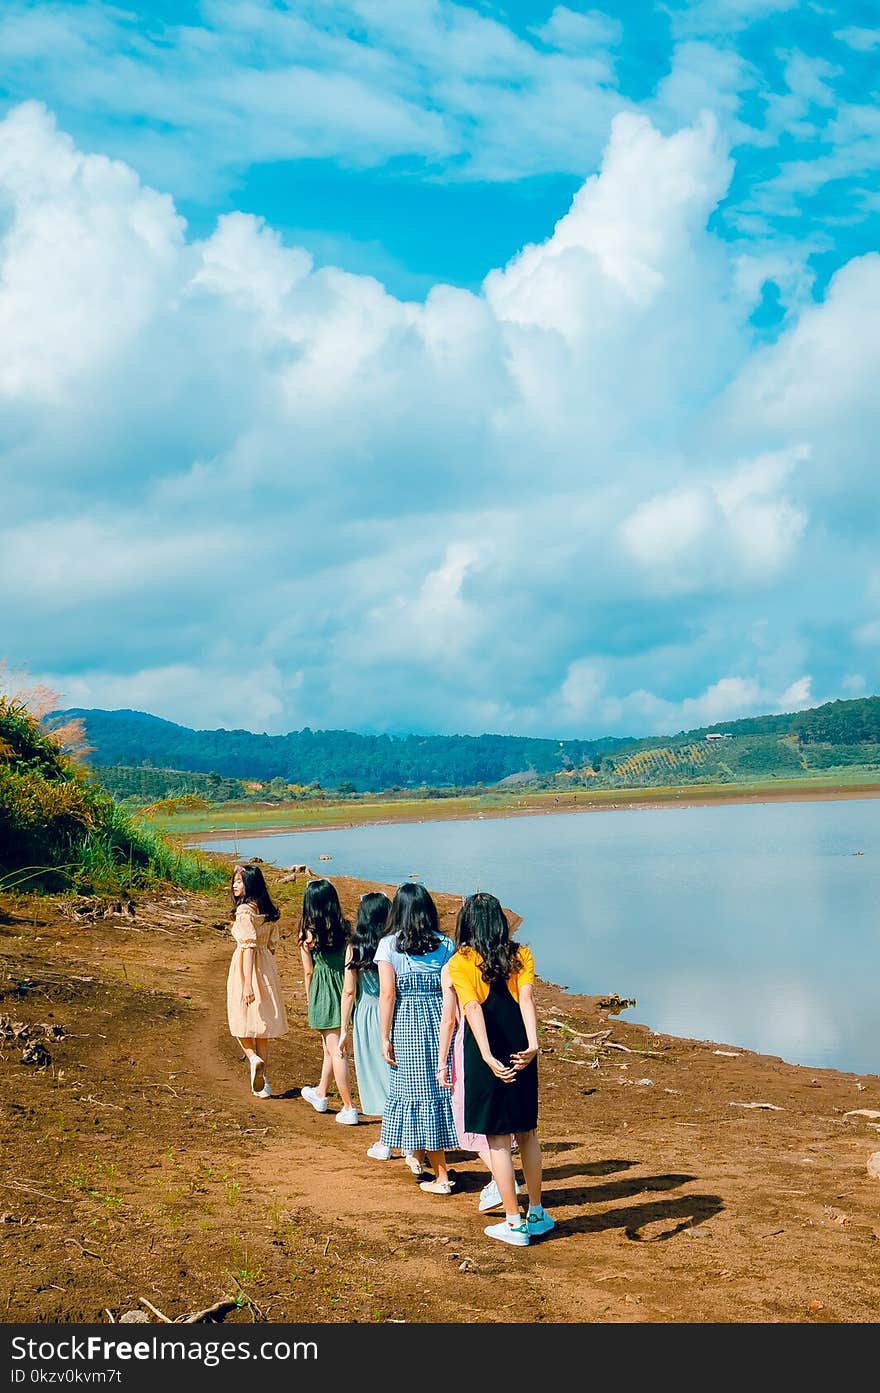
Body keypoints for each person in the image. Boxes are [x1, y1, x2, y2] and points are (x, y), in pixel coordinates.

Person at [443, 892, 554, 1246]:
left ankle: (514, 1221)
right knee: (527, 1133)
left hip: (485, 1052)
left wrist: (488, 1056)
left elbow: (472, 1008)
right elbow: (526, 998)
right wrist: (533, 1044)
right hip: (522, 1049)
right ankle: (536, 1211)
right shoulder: (520, 954)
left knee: (497, 1140)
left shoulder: (460, 962)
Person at [375, 882, 458, 1193]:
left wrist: (384, 1036)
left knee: (416, 1092)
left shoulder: (388, 945)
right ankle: (422, 1155)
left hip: (408, 1024)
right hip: (441, 1022)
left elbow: (387, 995)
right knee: (439, 1091)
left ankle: (442, 1174)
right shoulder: (446, 944)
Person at [337, 891, 395, 1158]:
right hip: (393, 1012)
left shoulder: (355, 946)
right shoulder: (394, 943)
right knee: (394, 1077)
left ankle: (386, 1141)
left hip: (366, 1014)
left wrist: (343, 1030)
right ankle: (405, 1141)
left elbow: (349, 992)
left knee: (375, 1077)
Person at [298, 878, 358, 1124]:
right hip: (342, 987)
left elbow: (308, 971)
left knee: (337, 1050)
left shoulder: (307, 934)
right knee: (329, 1047)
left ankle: (348, 1106)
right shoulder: (345, 929)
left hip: (323, 991)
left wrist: (310, 995)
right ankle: (321, 1093)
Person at [226, 863, 288, 1097]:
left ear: (250, 883)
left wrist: (247, 983)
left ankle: (252, 1059)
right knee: (261, 1025)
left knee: (239, 1019)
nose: (234, 885)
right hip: (266, 966)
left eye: (239, 881)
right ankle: (264, 1082)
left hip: (246, 966)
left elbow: (248, 947)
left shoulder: (244, 912)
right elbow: (271, 944)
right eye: (234, 880)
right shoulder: (267, 910)